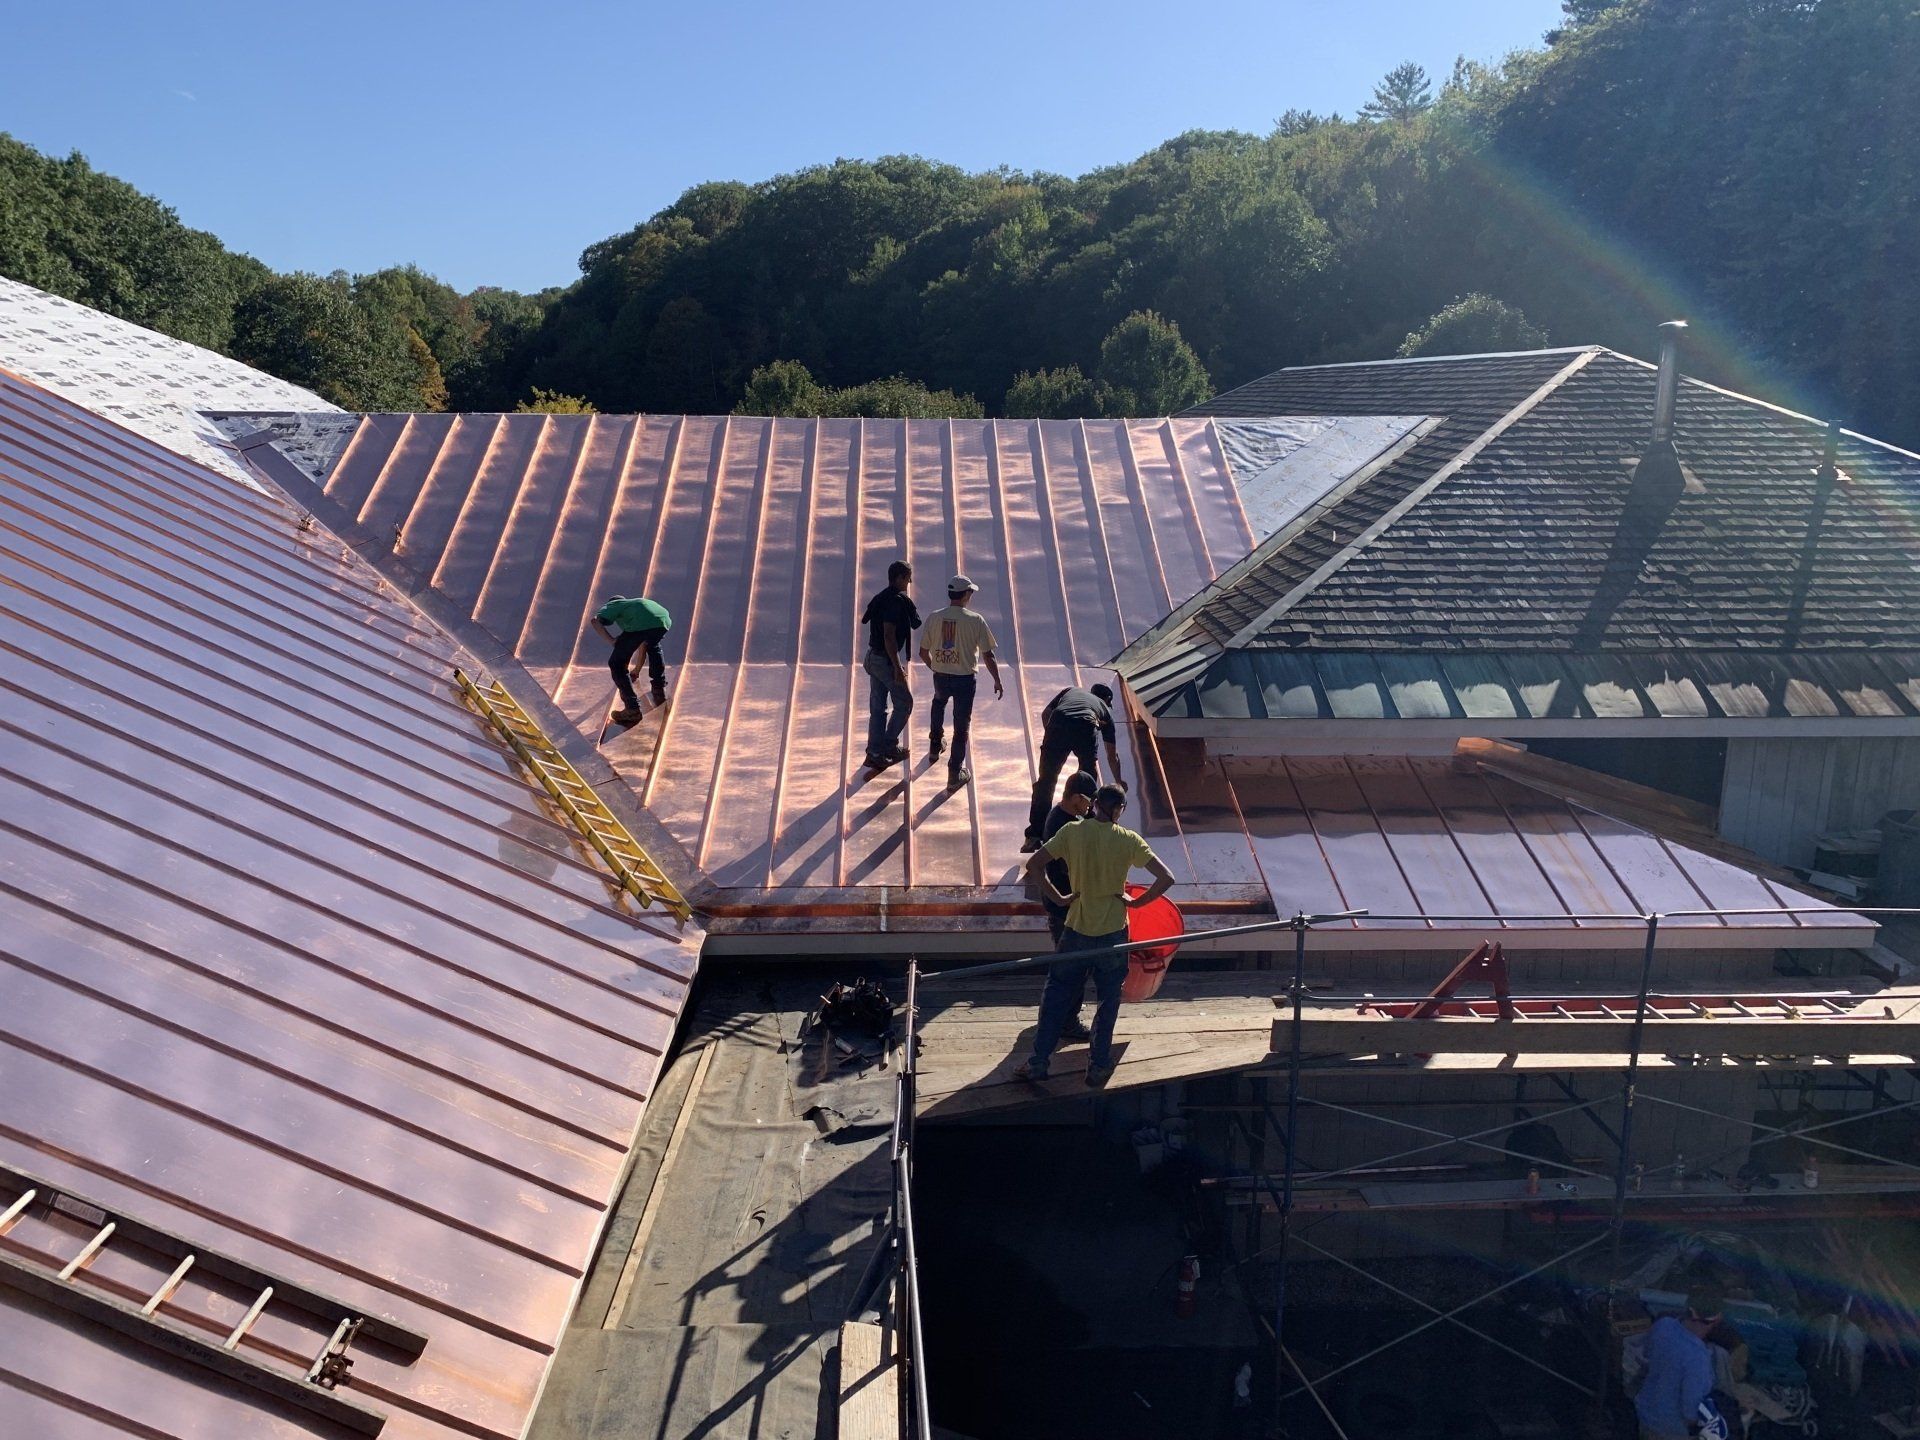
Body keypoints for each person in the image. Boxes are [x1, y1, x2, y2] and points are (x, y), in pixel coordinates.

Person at [1015, 784, 1175, 1087]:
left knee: (1056, 997)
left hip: (1076, 929)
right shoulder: (1129, 840)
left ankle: (1038, 1063)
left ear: (1095, 804)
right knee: (1108, 1001)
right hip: (1114, 934)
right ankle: (1099, 1067)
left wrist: (1059, 897)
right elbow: (1167, 877)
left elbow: (1035, 864)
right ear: (1120, 811)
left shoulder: (1073, 833)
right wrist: (1138, 902)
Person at [1032, 769, 1100, 1043]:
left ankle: (1059, 1015)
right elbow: (1056, 867)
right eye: (1087, 801)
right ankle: (1067, 1022)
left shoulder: (1072, 816)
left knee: (1069, 966)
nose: (1090, 807)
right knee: (1072, 967)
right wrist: (1059, 897)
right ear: (1075, 798)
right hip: (1064, 907)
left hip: (1067, 904)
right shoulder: (1062, 825)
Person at [919, 574, 1003, 788]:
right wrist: (997, 680)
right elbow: (988, 654)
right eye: (971, 592)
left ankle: (934, 746)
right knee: (961, 725)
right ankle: (954, 773)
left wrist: (936, 667)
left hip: (941, 675)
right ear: (965, 594)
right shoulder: (975, 620)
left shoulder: (934, 617)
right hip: (965, 679)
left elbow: (923, 652)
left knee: (938, 703)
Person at [1022, 682, 1125, 851]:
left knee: (1046, 782)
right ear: (1106, 699)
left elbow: (1045, 713)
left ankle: (1034, 836)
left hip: (1058, 722)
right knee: (1088, 782)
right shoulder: (1104, 710)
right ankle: (1091, 828)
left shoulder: (1071, 691)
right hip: (1086, 726)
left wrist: (1053, 738)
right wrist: (1119, 781)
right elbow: (1112, 756)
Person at [1634, 1289, 1725, 1440]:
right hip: (1669, 1431)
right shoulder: (1698, 1359)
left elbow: (1648, 1354)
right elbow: (1690, 1413)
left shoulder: (1663, 1325)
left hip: (1645, 1415)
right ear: (1717, 1319)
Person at [859, 560, 920, 770]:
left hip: (872, 658)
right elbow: (888, 635)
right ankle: (888, 746)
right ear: (900, 577)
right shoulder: (895, 601)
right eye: (908, 577)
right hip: (884, 660)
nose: (910, 581)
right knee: (905, 702)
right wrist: (896, 666)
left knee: (878, 708)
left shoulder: (881, 597)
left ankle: (874, 752)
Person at [591, 594, 671, 723]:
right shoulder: (635, 606)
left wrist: (611, 641)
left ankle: (632, 709)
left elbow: (595, 621)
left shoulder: (614, 604)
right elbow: (642, 646)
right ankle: (659, 688)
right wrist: (636, 671)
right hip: (662, 621)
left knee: (616, 664)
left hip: (642, 624)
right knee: (653, 647)